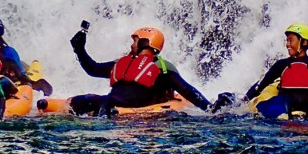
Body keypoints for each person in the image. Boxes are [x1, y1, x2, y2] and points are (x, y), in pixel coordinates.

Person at [67, 25, 212, 115]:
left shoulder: (162, 67)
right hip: (110, 102)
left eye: (135, 41)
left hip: (126, 106)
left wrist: (209, 108)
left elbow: (187, 90)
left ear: (145, 42)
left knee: (104, 102)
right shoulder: (122, 62)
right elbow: (93, 69)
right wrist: (79, 49)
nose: (131, 45)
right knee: (81, 100)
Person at [242, 24, 308, 120]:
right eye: (287, 41)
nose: (287, 44)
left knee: (265, 106)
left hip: (288, 104)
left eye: (291, 40)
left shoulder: (282, 64)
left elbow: (260, 86)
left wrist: (245, 100)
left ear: (304, 42)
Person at [0, 17, 54, 96]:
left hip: (8, 79)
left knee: (21, 66)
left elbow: (22, 76)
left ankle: (27, 67)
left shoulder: (8, 52)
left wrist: (29, 82)